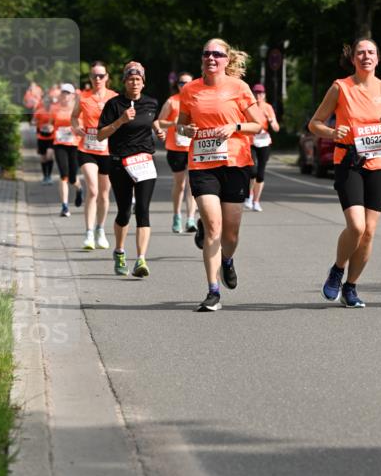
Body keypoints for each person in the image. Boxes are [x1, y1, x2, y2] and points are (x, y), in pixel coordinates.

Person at [309, 37, 381, 308]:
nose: (366, 57)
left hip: (379, 164)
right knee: (357, 226)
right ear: (353, 59)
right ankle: (338, 269)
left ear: (378, 58)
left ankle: (351, 287)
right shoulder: (341, 88)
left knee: (369, 231)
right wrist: (332, 132)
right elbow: (314, 123)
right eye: (361, 53)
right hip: (348, 162)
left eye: (371, 52)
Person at [176, 38, 262, 311]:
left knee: (231, 232)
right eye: (206, 54)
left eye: (217, 54)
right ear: (202, 59)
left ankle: (227, 260)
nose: (211, 58)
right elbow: (181, 125)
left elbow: (258, 124)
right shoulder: (190, 90)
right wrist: (186, 130)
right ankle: (213, 291)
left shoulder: (239, 87)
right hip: (202, 164)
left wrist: (234, 126)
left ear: (227, 60)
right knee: (214, 226)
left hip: (235, 163)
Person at [97, 61, 164, 278]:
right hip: (120, 163)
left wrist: (159, 131)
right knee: (125, 211)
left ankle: (141, 260)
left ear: (143, 83)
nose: (134, 82)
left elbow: (153, 121)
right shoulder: (114, 105)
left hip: (144, 161)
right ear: (125, 82)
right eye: (130, 79)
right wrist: (120, 121)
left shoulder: (151, 103)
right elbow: (100, 135)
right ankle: (119, 251)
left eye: (138, 79)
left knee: (143, 210)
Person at [71, 61, 117, 250]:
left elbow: (122, 120)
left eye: (101, 75)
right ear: (90, 78)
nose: (97, 79)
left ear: (107, 77)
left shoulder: (114, 97)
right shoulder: (83, 98)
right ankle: (88, 232)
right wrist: (77, 128)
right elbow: (74, 117)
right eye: (94, 76)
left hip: (107, 151)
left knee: (104, 195)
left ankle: (100, 229)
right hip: (87, 149)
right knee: (93, 190)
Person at [156, 72, 198, 233]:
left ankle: (191, 219)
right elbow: (159, 121)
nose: (184, 86)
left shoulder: (196, 101)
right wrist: (174, 123)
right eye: (181, 83)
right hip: (176, 148)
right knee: (179, 184)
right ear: (177, 85)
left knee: (191, 184)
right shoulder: (172, 101)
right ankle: (176, 216)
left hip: (193, 147)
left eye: (187, 83)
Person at [244, 83, 280, 211]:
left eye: (260, 93)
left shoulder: (268, 107)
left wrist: (270, 120)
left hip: (264, 142)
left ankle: (256, 201)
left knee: (260, 174)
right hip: (251, 141)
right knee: (252, 171)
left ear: (264, 95)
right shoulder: (250, 107)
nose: (258, 95)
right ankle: (249, 196)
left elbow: (276, 128)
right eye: (256, 93)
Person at [52, 84, 83, 216]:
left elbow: (82, 126)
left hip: (75, 145)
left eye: (68, 93)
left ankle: (79, 188)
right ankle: (64, 206)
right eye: (63, 93)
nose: (65, 95)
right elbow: (49, 123)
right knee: (63, 175)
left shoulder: (78, 109)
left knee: (72, 177)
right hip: (59, 144)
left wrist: (76, 129)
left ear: (73, 95)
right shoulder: (55, 108)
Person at [32, 92, 55, 185]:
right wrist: (35, 123)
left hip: (52, 137)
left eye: (48, 101)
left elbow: (58, 121)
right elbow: (33, 121)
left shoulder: (54, 112)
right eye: (45, 101)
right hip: (41, 137)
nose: (47, 103)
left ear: (51, 102)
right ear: (43, 102)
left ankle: (49, 176)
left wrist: (52, 126)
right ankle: (45, 176)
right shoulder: (39, 111)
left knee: (49, 156)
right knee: (43, 158)